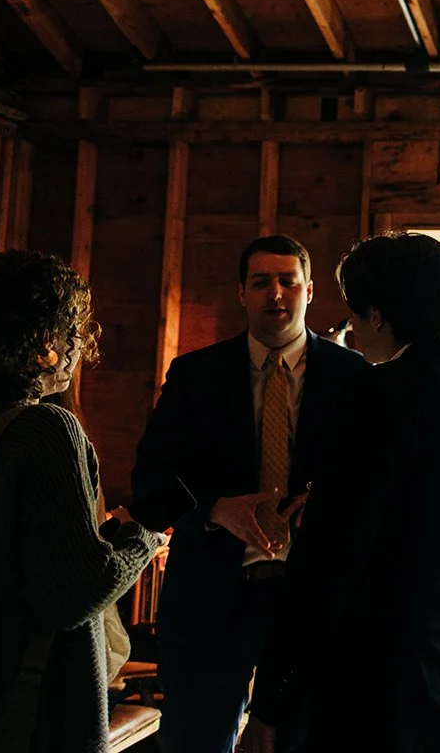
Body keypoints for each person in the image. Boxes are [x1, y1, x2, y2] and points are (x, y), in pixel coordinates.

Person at [243, 232, 440, 753]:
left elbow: (326, 566)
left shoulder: (376, 395)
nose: (351, 328)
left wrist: (271, 702)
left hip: (381, 692)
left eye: (355, 313)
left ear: (379, 316)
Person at [131, 235, 367, 753]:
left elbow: (375, 484)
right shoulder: (195, 375)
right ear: (242, 293)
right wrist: (214, 509)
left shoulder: (356, 377)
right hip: (212, 600)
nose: (275, 293)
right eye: (261, 282)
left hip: (315, 597)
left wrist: (331, 507)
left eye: (287, 281)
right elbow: (149, 483)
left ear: (310, 290)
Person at [0, 250, 160, 752]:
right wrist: (142, 537)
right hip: (37, 710)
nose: (78, 346)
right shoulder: (46, 428)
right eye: (73, 331)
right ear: (46, 341)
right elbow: (75, 594)